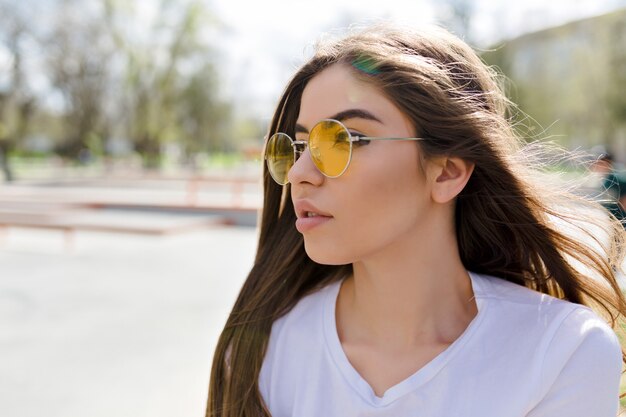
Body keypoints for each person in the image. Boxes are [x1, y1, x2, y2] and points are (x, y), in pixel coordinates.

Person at [207, 24, 626, 417]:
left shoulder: (563, 353)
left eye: (345, 139)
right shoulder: (265, 349)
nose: (300, 173)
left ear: (446, 172)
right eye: (298, 146)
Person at [591, 151, 626, 227]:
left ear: (608, 163)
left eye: (600, 163)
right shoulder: (605, 179)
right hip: (612, 218)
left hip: (621, 219)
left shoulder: (615, 179)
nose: (596, 165)